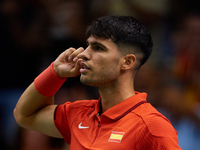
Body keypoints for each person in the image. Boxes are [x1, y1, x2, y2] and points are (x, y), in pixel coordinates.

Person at [14, 15, 181, 149]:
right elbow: (24, 115)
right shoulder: (78, 114)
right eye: (87, 45)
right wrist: (55, 73)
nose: (83, 54)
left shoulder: (152, 127)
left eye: (98, 48)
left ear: (127, 62)